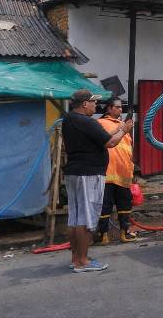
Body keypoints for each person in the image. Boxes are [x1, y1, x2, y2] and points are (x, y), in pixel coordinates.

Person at [63, 89, 133, 272]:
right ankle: (83, 261)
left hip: (74, 172)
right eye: (93, 102)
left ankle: (76, 258)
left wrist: (119, 128)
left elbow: (104, 137)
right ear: (85, 104)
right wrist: (124, 131)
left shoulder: (69, 119)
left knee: (75, 218)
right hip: (89, 174)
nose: (96, 105)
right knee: (86, 219)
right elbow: (110, 143)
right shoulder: (87, 122)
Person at [95, 98, 137, 244]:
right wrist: (122, 128)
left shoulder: (123, 125)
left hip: (123, 171)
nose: (120, 110)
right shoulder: (101, 123)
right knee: (104, 205)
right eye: (117, 107)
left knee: (124, 205)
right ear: (109, 109)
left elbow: (128, 147)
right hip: (107, 172)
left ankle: (125, 233)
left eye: (121, 107)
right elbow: (106, 141)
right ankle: (102, 235)